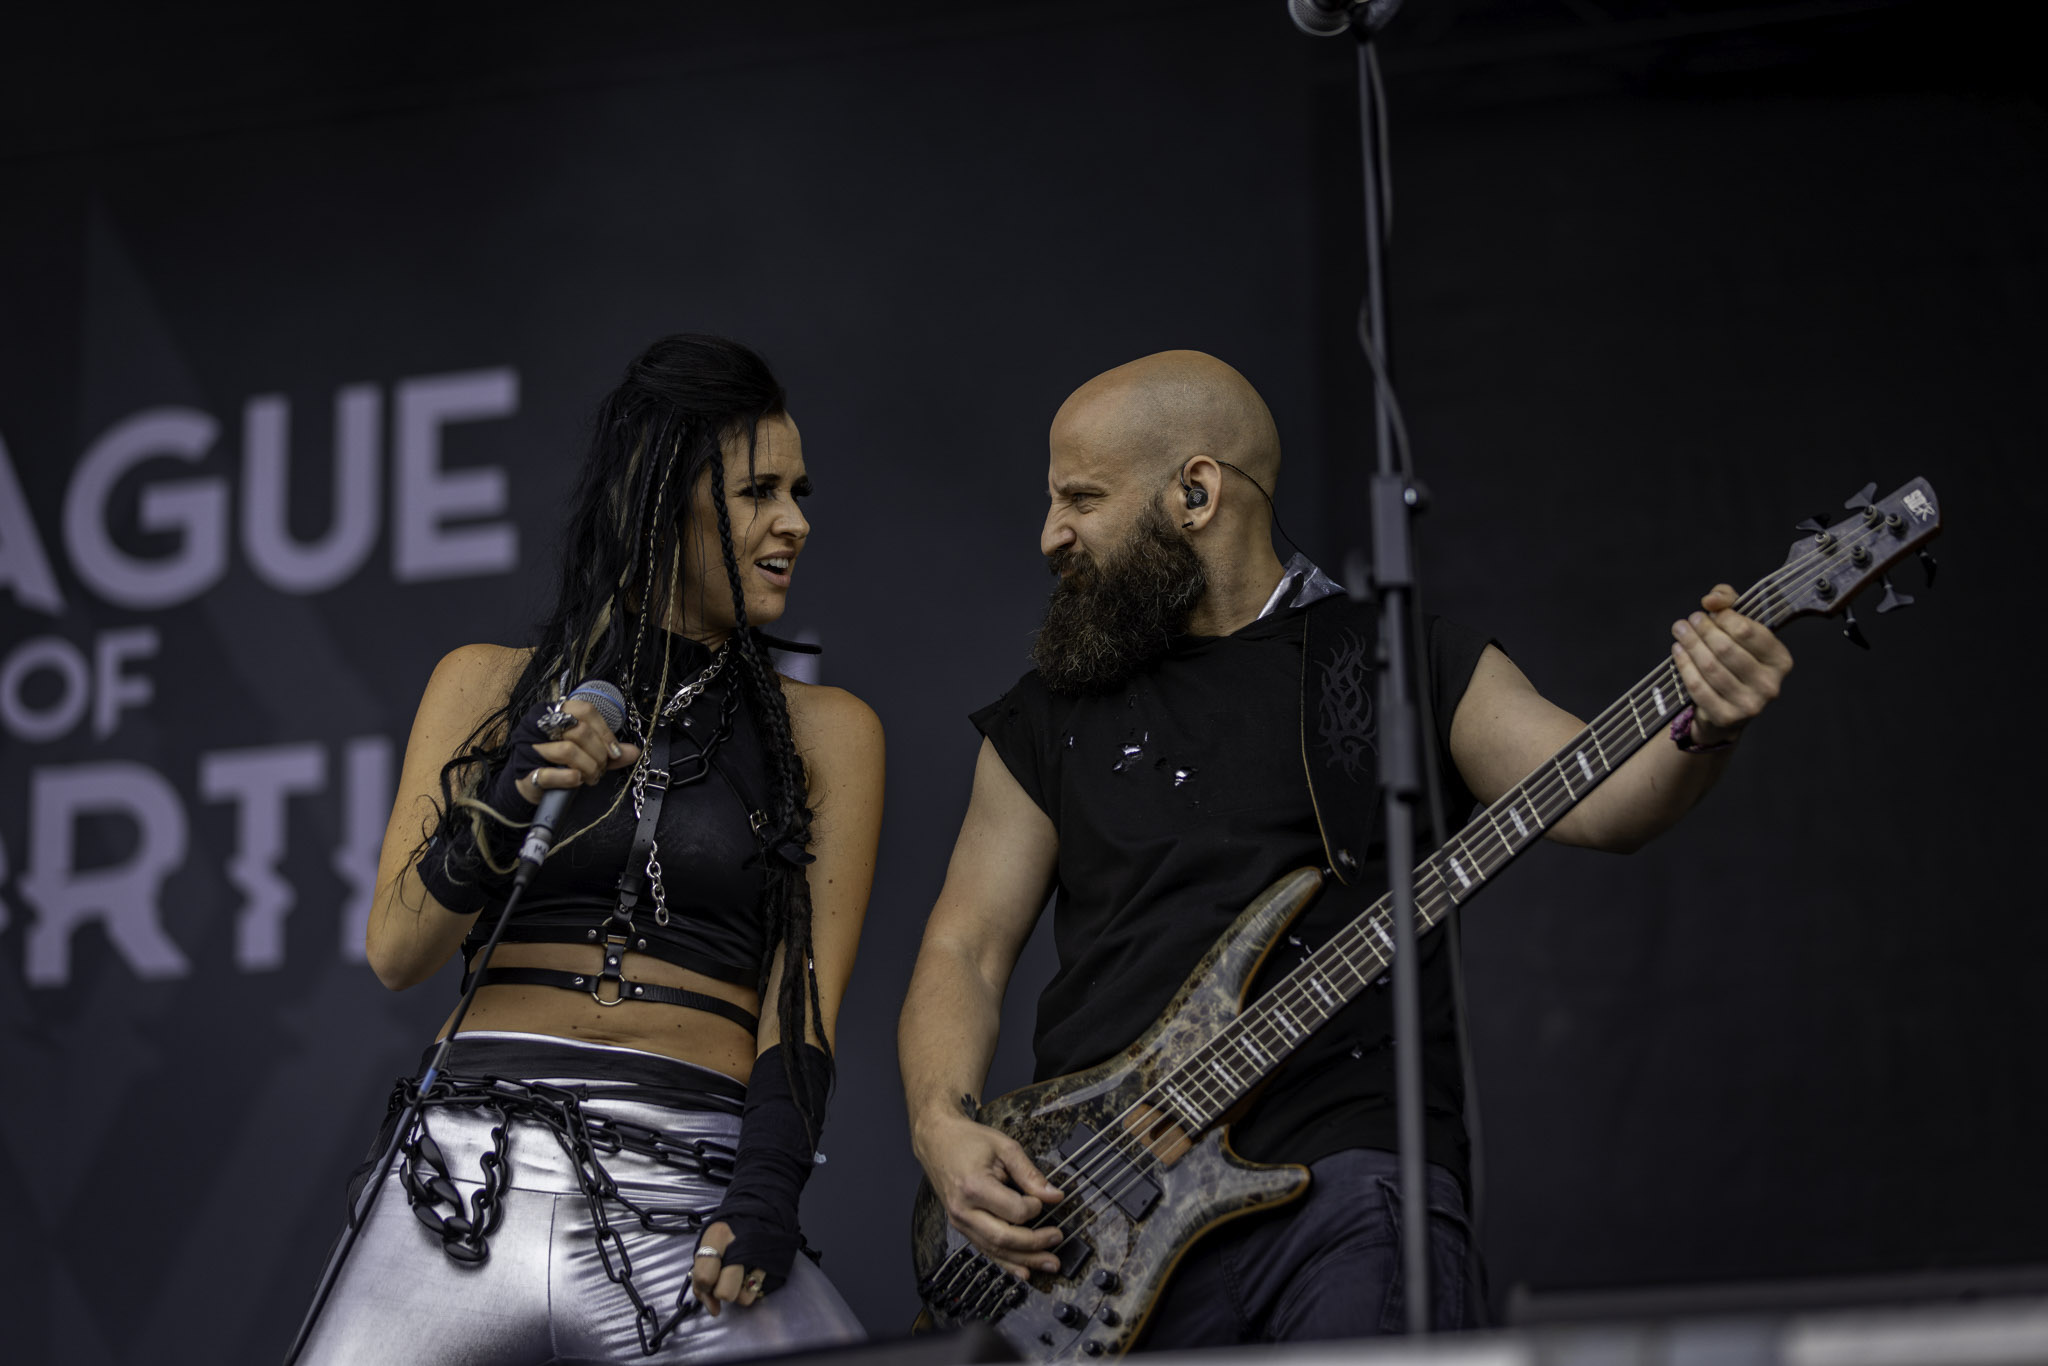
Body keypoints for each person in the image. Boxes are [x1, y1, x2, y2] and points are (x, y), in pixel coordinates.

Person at [897, 350, 1793, 1346]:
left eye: (1081, 498)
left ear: (1195, 492)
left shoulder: (1395, 661)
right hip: (1095, 1229)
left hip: (1343, 1189)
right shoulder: (1047, 717)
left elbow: (1607, 799)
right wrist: (942, 1124)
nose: (1050, 534)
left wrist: (1704, 722)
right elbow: (964, 948)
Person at [294, 335, 883, 1363]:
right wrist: (510, 795)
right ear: (662, 501)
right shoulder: (487, 684)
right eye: (758, 492)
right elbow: (395, 951)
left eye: (797, 492)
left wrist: (768, 1184)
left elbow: (806, 1002)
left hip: (687, 1176)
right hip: (463, 1171)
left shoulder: (829, 732)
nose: (795, 522)